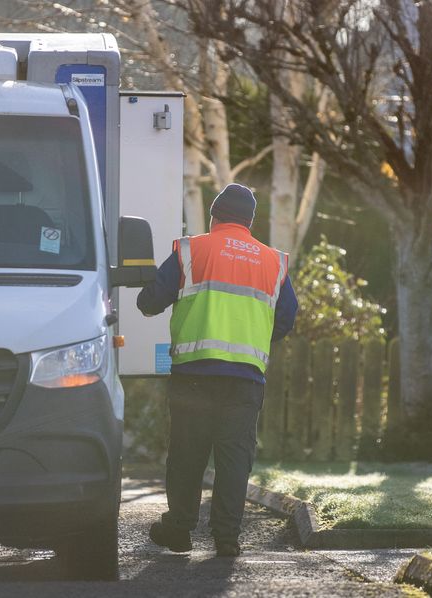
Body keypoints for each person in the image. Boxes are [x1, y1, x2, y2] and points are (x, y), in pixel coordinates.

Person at [137, 183, 298, 557]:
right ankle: (227, 538)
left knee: (187, 454)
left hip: (194, 374)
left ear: (214, 216)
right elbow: (287, 316)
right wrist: (251, 337)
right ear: (250, 222)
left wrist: (146, 297)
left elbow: (151, 301)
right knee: (234, 459)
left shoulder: (193, 248)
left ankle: (178, 529)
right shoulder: (272, 261)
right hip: (245, 377)